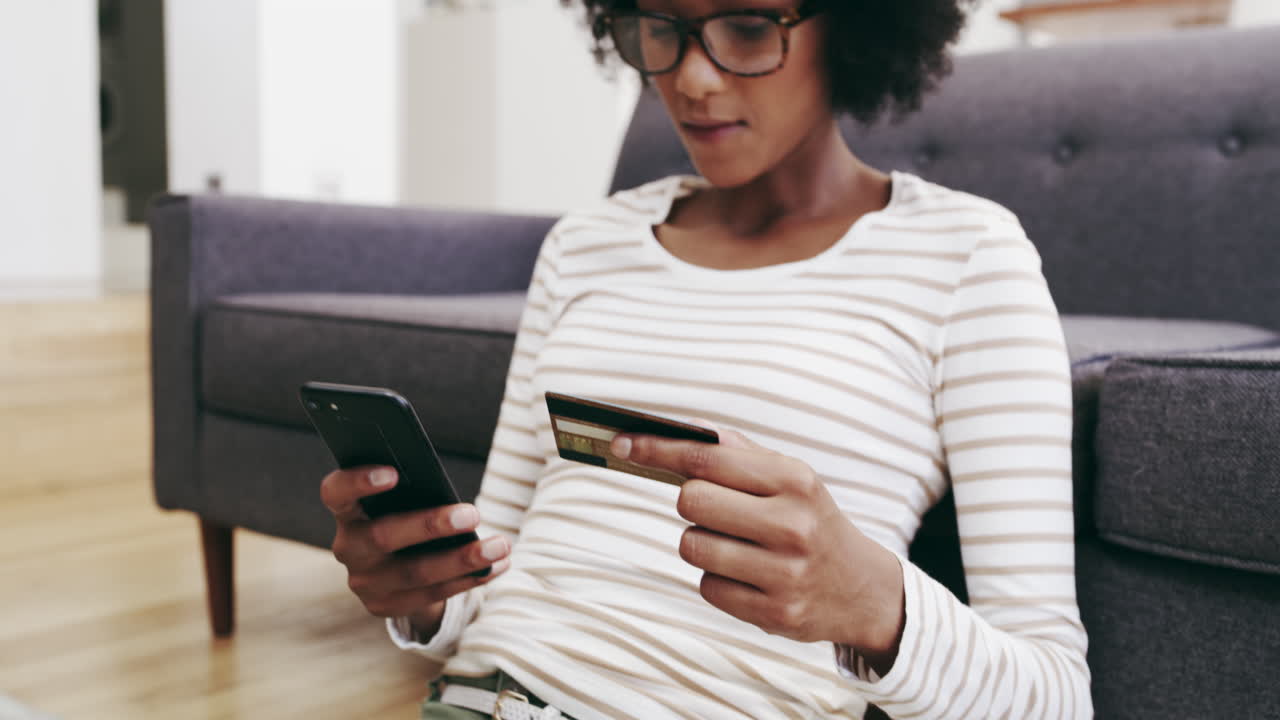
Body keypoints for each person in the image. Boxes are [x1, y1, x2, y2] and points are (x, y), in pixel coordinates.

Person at [319, 0, 1093, 717]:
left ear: (855, 25)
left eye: (750, 27)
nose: (690, 78)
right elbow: (490, 587)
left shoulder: (966, 260)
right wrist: (421, 593)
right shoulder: (584, 246)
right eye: (660, 27)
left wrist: (875, 606)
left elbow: (1056, 696)